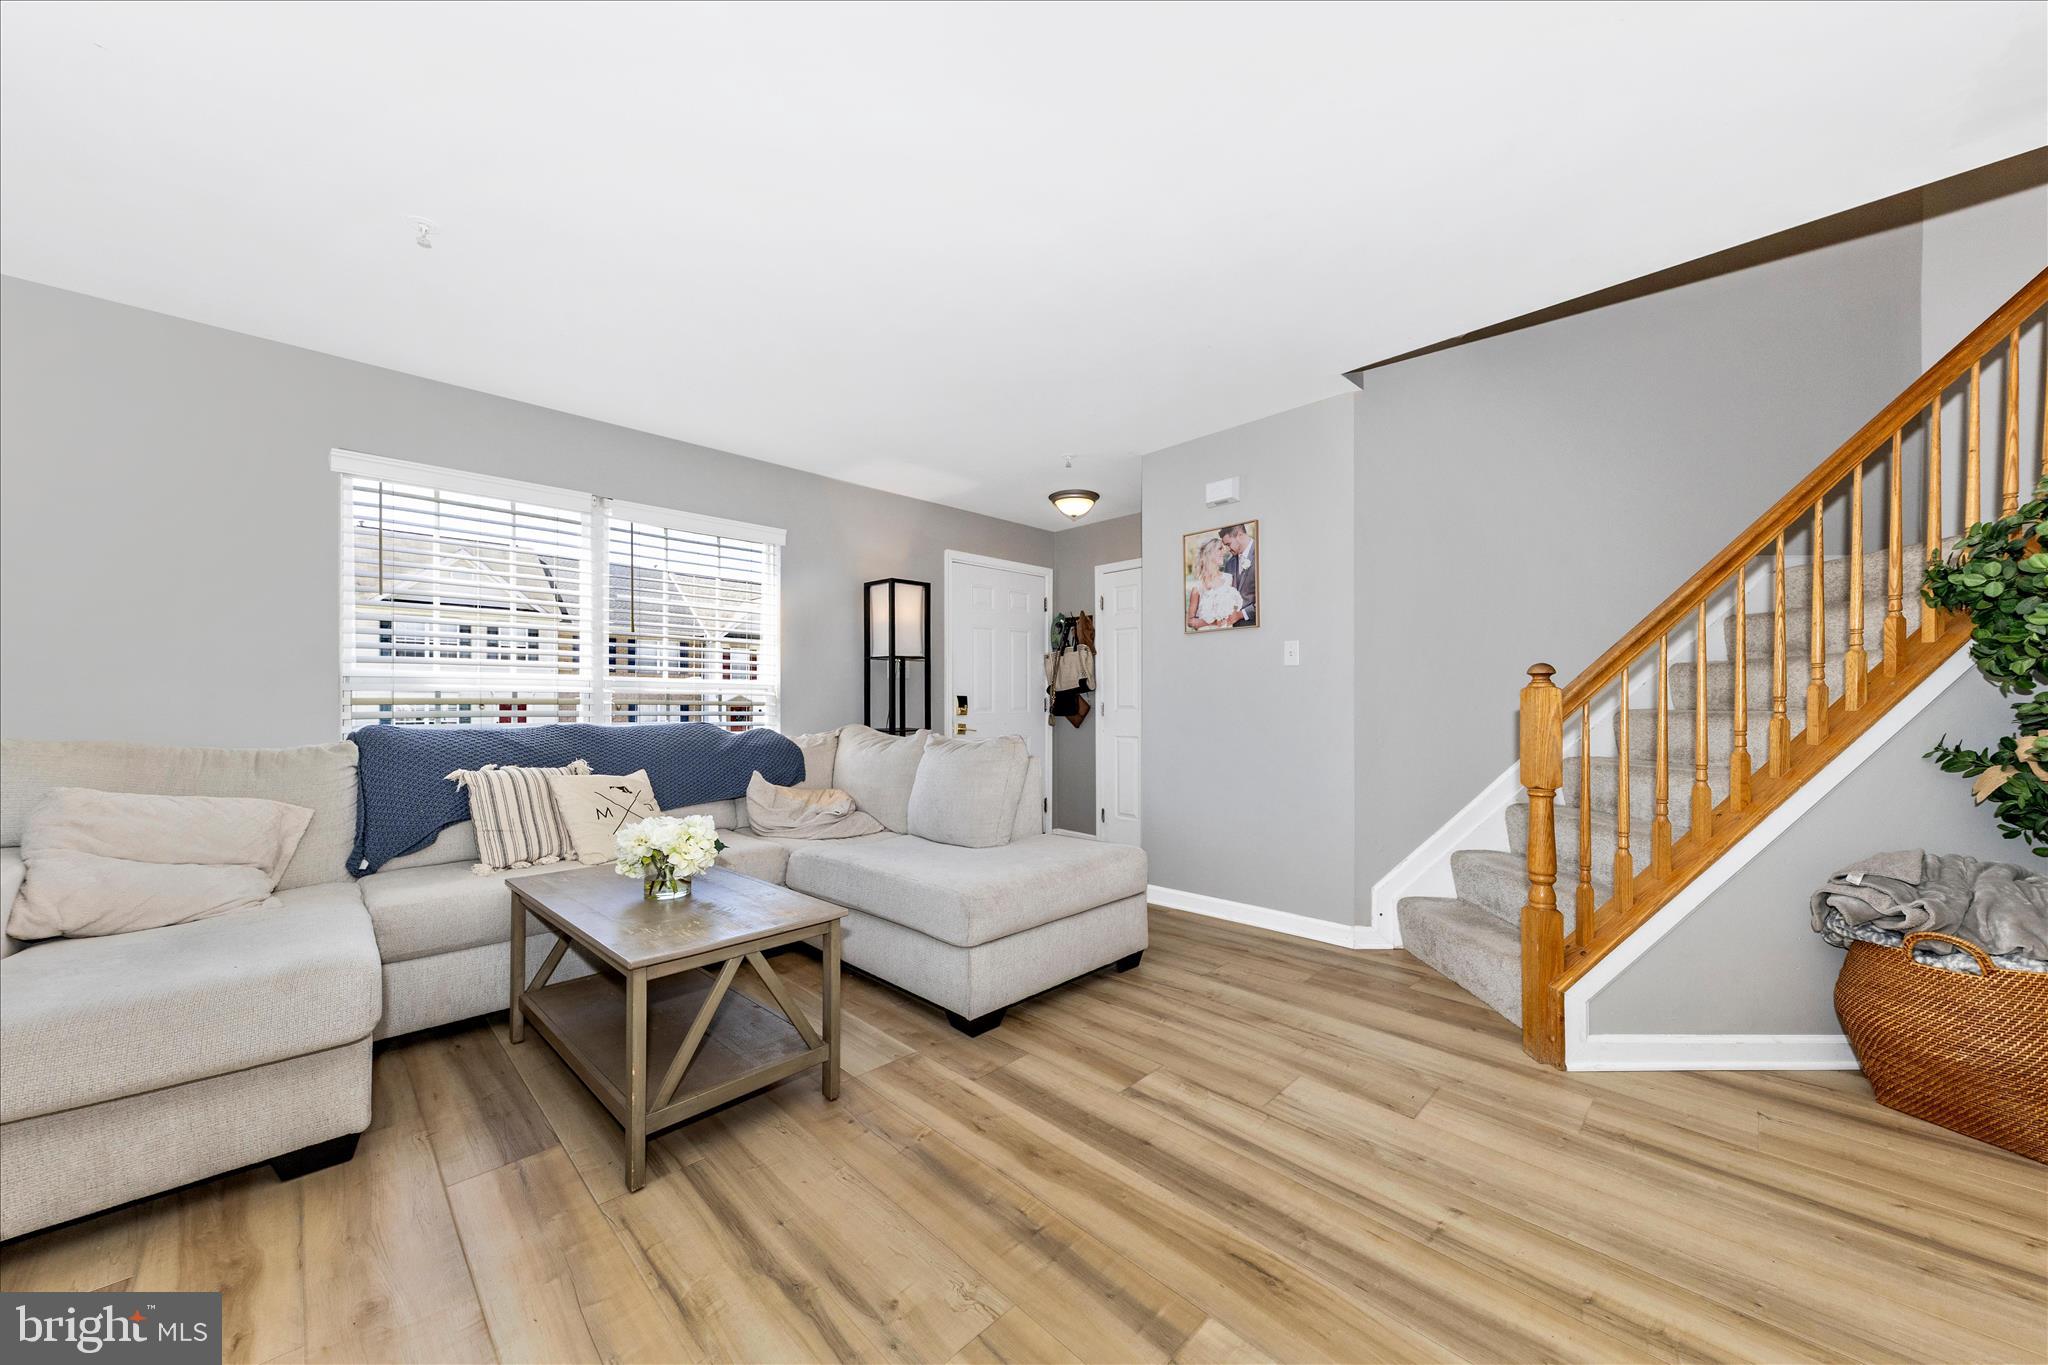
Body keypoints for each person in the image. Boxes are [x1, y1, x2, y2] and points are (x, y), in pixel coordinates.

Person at [1186, 536, 1244, 630]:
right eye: (1220, 549)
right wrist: (1214, 620)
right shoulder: (1197, 588)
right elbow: (1190, 622)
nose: (1224, 552)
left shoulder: (1229, 579)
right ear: (1208, 553)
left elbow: (1235, 611)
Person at [1220, 523, 1256, 626]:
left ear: (1240, 535)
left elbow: (1267, 598)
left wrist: (1241, 614)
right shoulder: (1229, 563)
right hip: (1235, 629)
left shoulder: (1263, 553)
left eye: (1228, 544)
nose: (1227, 549)